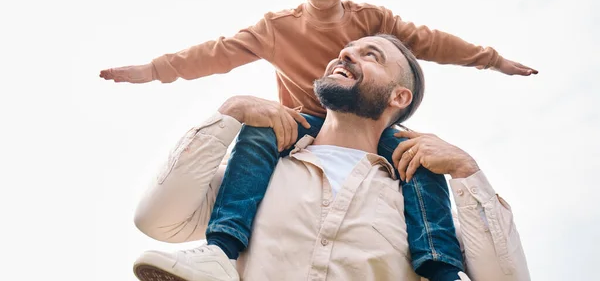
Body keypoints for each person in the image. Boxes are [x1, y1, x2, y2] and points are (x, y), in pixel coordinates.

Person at [100, 0, 537, 280]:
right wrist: (154, 70)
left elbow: (432, 42)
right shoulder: (275, 29)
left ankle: (441, 271)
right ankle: (222, 251)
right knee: (260, 128)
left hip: (372, 131)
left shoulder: (374, 20)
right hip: (298, 127)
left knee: (418, 159)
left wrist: (492, 59)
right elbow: (214, 54)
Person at [132, 35, 531, 281]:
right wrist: (229, 113)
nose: (345, 55)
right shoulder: (256, 176)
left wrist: (466, 172)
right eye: (345, 51)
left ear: (399, 97)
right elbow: (155, 218)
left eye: (370, 55)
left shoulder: (424, 209)